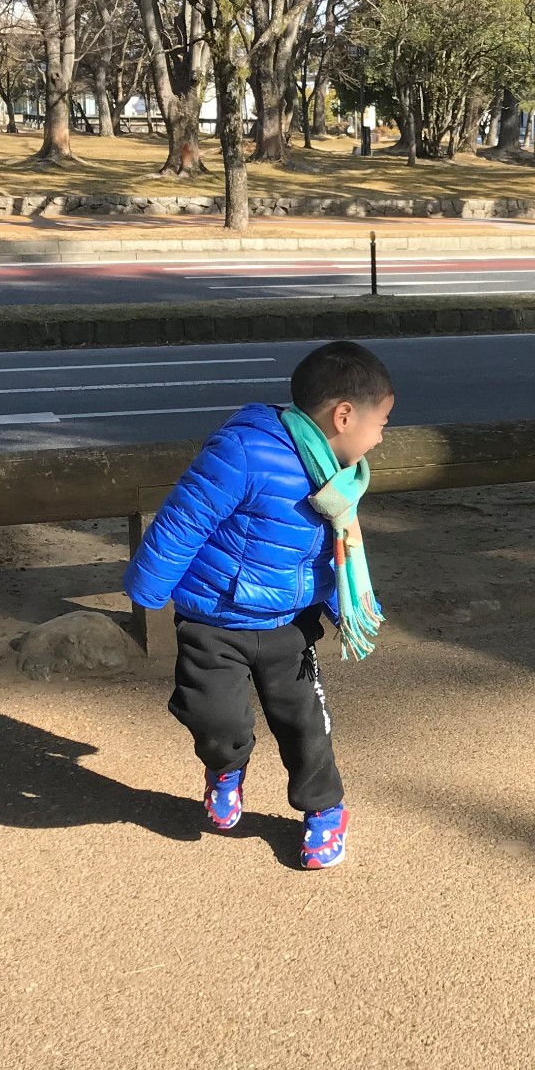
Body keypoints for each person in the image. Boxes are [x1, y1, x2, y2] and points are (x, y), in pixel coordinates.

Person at [124, 341, 394, 870]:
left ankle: (324, 810)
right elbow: (186, 518)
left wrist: (349, 605)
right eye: (381, 421)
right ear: (344, 416)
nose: (382, 435)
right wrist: (150, 585)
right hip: (213, 617)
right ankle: (225, 767)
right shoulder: (245, 451)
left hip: (288, 626)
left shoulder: (337, 476)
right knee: (214, 719)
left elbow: (334, 551)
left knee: (304, 723)